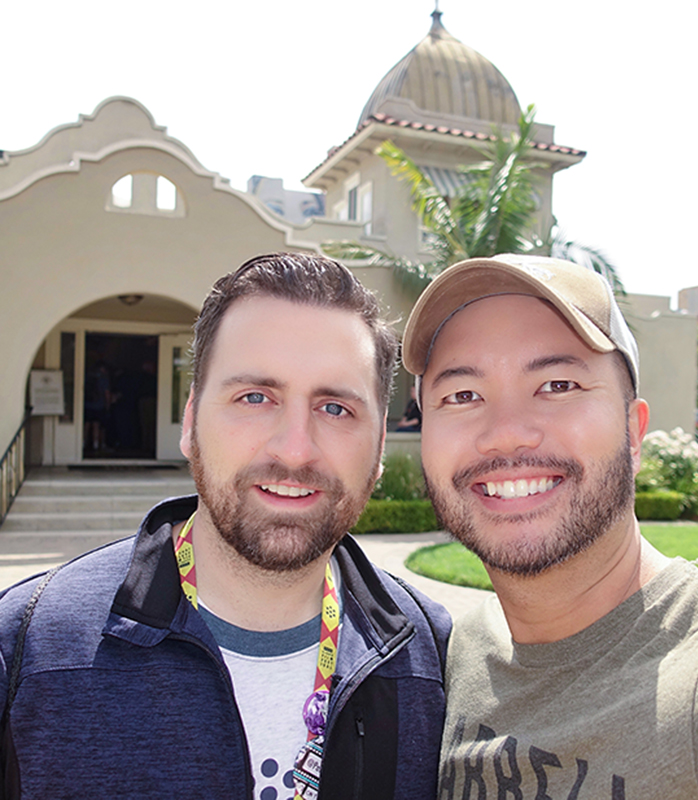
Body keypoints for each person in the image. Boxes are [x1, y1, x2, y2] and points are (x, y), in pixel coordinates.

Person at [0, 253, 451, 799]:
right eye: (255, 398)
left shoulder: (433, 660)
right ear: (191, 423)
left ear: (379, 448)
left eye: (335, 408)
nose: (294, 449)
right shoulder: (28, 647)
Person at [401, 254, 698, 800]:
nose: (507, 434)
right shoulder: (445, 662)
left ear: (634, 435)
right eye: (463, 395)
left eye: (558, 385)